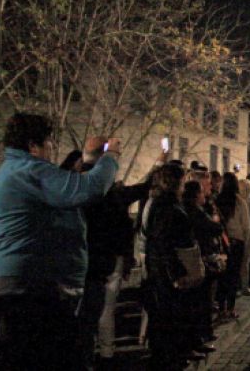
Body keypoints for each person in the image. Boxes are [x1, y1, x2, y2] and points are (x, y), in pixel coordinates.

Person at [0, 114, 119, 370]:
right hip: (28, 287)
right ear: (33, 145)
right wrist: (111, 156)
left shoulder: (10, 172)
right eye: (49, 143)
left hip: (19, 283)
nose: (51, 150)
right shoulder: (29, 170)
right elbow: (88, 188)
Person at [78, 144, 154, 367]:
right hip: (107, 259)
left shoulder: (75, 189)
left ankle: (91, 353)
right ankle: (106, 354)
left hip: (87, 258)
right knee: (105, 309)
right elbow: (142, 188)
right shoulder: (113, 195)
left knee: (89, 311)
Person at [142, 164, 204, 369]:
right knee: (168, 317)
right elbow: (163, 243)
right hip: (167, 273)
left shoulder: (166, 204)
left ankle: (170, 354)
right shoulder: (166, 207)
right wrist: (176, 272)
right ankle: (168, 358)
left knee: (169, 316)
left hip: (164, 270)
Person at [183, 180, 224, 347]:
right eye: (201, 192)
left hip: (198, 256)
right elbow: (215, 227)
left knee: (202, 299)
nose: (204, 195)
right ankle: (200, 336)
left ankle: (202, 334)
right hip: (200, 257)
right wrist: (215, 220)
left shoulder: (193, 209)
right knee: (202, 300)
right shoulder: (196, 212)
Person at [216, 172, 250, 319]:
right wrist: (246, 243)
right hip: (236, 243)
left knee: (222, 277)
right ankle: (230, 309)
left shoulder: (217, 201)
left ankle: (221, 308)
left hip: (222, 243)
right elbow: (246, 226)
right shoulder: (240, 202)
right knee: (233, 277)